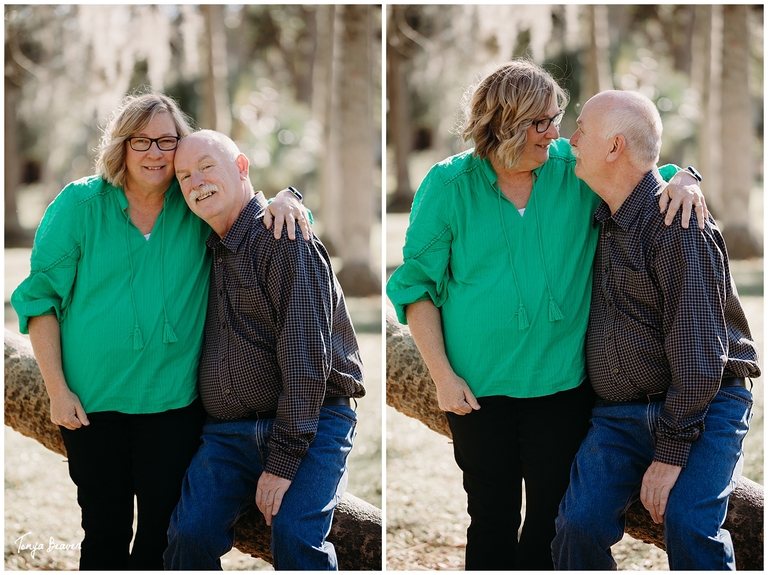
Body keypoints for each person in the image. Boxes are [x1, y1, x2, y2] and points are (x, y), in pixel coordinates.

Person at [386, 60, 707, 570]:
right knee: (490, 517)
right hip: (477, 390)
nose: (556, 132)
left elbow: (645, 177)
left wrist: (689, 179)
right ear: (502, 123)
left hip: (562, 387)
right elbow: (416, 287)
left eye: (556, 118)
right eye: (541, 122)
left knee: (549, 523)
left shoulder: (573, 170)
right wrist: (443, 377)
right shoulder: (448, 185)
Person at [10, 92, 307, 570]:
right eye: (141, 141)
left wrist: (290, 199)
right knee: (103, 536)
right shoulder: (80, 205)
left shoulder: (192, 204)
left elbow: (245, 203)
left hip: (173, 408)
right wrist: (57, 390)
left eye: (167, 141)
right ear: (121, 146)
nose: (155, 153)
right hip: (92, 406)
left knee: (158, 541)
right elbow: (39, 299)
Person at [551, 90, 760, 570]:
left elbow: (699, 357)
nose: (571, 138)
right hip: (619, 416)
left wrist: (670, 454)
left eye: (581, 128)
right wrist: (685, 173)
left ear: (614, 147)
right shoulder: (605, 215)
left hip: (703, 405)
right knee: (576, 526)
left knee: (688, 523)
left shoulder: (678, 225)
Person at [163, 130, 365, 571]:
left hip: (313, 421)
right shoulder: (204, 247)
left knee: (295, 537)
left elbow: (307, 363)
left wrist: (283, 460)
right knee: (188, 535)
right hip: (228, 435)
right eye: (183, 176)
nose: (196, 182)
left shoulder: (283, 238)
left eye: (206, 167)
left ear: (241, 168)